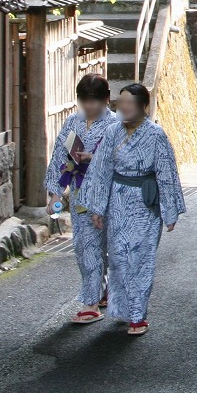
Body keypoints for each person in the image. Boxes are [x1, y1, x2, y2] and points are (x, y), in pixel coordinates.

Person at [82, 82, 186, 336]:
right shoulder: (112, 132)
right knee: (118, 258)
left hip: (144, 203)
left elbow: (166, 173)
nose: (125, 106)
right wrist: (97, 207)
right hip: (118, 201)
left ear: (143, 106)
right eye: (122, 101)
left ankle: (137, 316)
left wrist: (169, 210)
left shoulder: (155, 134)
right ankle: (123, 309)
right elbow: (101, 170)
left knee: (140, 259)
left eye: (131, 102)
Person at [45, 74, 119, 325]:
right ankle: (95, 298)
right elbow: (59, 157)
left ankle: (98, 295)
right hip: (78, 192)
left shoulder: (116, 124)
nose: (90, 106)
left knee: (103, 245)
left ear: (107, 99)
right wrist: (56, 193)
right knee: (86, 244)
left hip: (107, 193)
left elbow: (123, 159)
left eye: (95, 101)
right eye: (85, 100)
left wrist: (94, 159)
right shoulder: (72, 122)